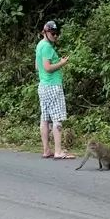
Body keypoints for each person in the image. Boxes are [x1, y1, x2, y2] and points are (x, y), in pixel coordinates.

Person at [35, 20, 74, 159]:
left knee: (45, 118)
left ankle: (46, 150)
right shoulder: (46, 47)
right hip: (52, 86)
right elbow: (47, 67)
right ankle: (58, 151)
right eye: (53, 33)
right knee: (57, 118)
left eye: (57, 33)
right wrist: (61, 63)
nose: (55, 36)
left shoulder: (40, 45)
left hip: (43, 86)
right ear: (45, 32)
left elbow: (37, 67)